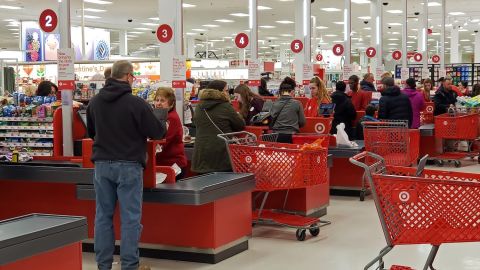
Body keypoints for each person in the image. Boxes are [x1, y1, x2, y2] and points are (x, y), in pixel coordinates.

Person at [86, 60, 167, 270]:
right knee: (130, 219)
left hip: (102, 166)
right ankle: (129, 265)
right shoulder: (136, 103)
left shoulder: (94, 103)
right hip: (129, 165)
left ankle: (103, 265)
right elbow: (157, 132)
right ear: (129, 77)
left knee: (103, 216)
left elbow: (92, 133)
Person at [191, 86, 245, 174]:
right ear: (221, 94)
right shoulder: (226, 106)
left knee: (202, 184)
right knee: (223, 185)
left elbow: (196, 123)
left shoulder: (199, 107)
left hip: (201, 153)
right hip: (222, 153)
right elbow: (240, 125)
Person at [154, 87, 188, 180]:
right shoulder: (159, 117)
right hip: (164, 164)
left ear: (171, 104)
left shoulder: (171, 118)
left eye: (163, 100)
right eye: (157, 100)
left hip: (174, 165)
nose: (158, 103)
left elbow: (163, 141)